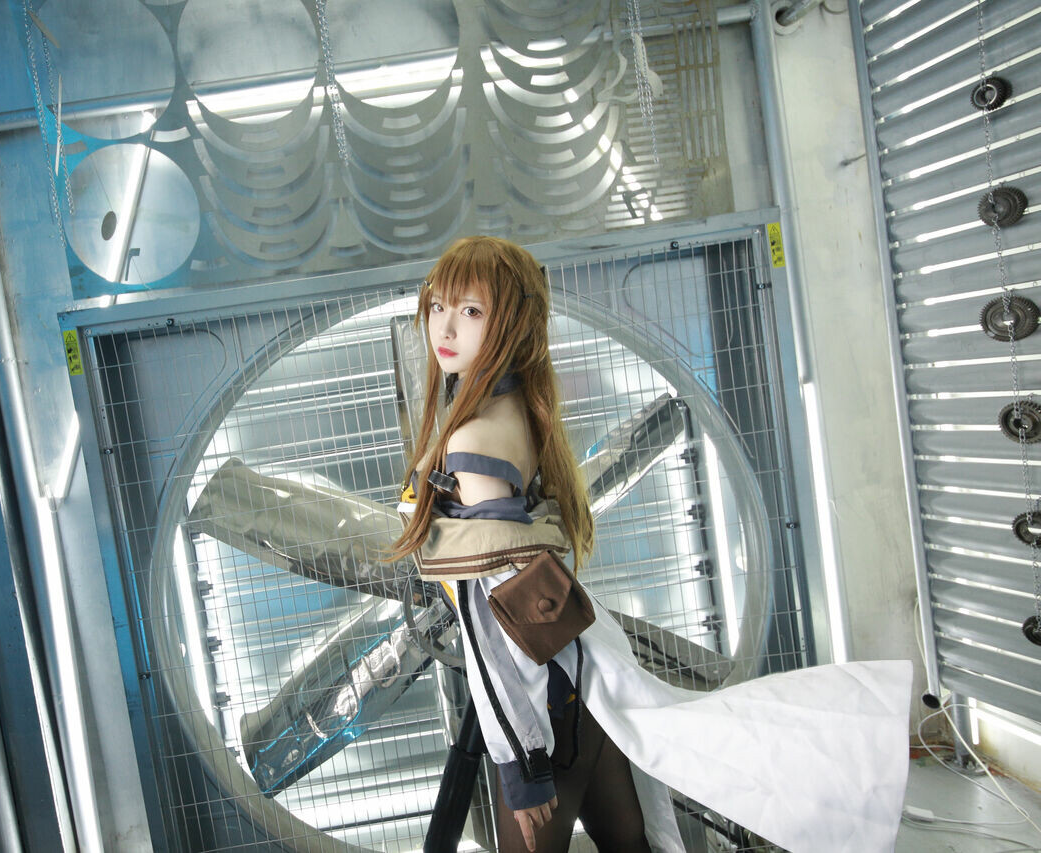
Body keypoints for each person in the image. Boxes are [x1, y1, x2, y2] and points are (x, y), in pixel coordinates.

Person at [390, 236, 912, 852]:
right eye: (438, 306)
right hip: (582, 683)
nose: (445, 328)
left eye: (471, 311)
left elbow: (497, 626)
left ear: (512, 323)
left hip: (545, 707)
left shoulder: (473, 440)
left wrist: (522, 763)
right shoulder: (514, 409)